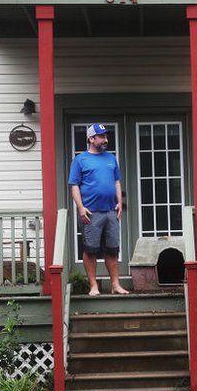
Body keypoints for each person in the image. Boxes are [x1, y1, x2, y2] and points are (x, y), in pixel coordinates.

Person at [68, 123, 129, 296]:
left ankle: (116, 285)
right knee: (90, 250)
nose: (105, 139)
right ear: (91, 138)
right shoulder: (80, 160)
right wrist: (80, 207)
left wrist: (119, 202)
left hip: (110, 211)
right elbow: (74, 186)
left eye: (105, 136)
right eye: (101, 136)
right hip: (91, 213)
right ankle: (93, 286)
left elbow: (116, 181)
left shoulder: (111, 158)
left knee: (112, 249)